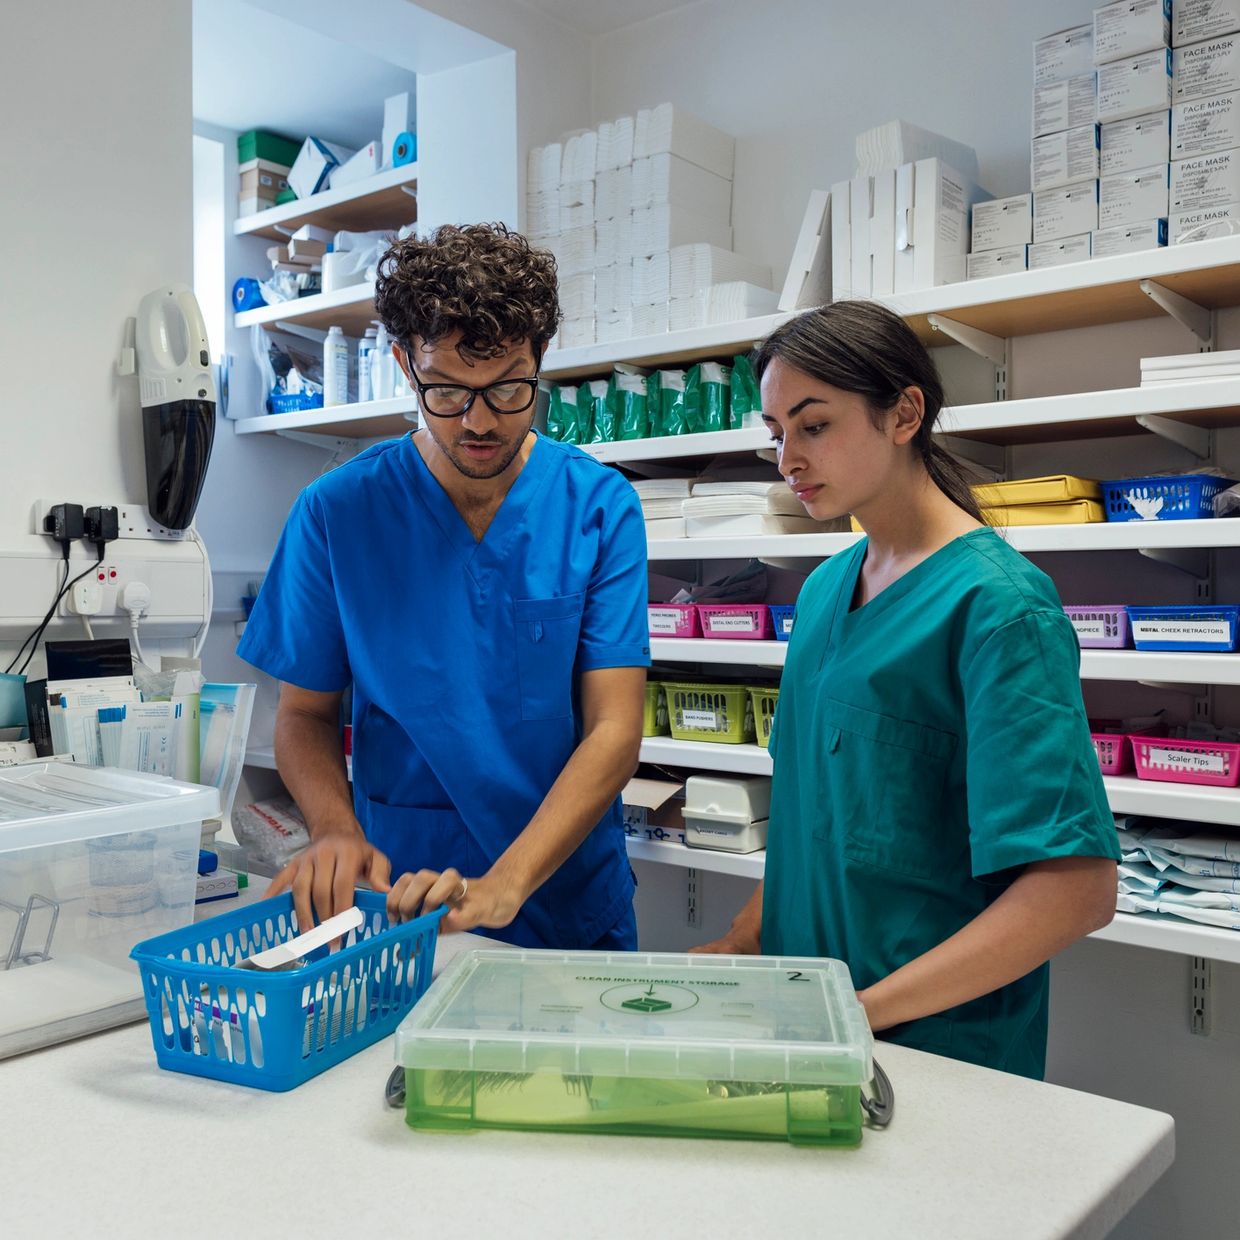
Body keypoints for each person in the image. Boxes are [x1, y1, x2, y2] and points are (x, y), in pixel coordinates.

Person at [695, 300, 1120, 1080]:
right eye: (774, 432)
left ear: (905, 413)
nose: (788, 457)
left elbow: (1076, 890)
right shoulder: (826, 588)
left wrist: (861, 1012)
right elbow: (821, 816)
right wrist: (744, 939)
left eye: (814, 425)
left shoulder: (999, 608)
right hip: (807, 1031)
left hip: (936, 1055)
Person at [238, 223, 650, 948]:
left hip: (565, 897)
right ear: (404, 363)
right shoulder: (337, 514)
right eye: (450, 391)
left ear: (540, 359)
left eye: (509, 389)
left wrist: (508, 883)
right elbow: (304, 717)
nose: (482, 421)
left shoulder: (598, 507)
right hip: (405, 901)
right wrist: (334, 829)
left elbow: (614, 729)